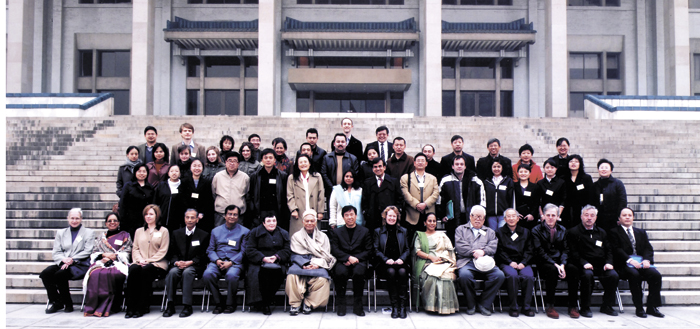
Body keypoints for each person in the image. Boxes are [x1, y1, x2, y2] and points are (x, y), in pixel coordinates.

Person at [608, 208, 664, 318]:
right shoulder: (614, 232)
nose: (627, 217)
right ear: (619, 218)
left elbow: (648, 248)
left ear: (633, 218)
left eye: (630, 215)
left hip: (641, 263)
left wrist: (647, 260)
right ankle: (639, 307)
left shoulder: (641, 232)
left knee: (656, 275)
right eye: (624, 215)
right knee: (634, 274)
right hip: (624, 265)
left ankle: (652, 307)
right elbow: (616, 249)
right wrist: (630, 260)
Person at [567, 205, 620, 317]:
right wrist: (584, 263)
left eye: (592, 215)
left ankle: (607, 306)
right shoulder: (573, 232)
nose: (589, 218)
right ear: (581, 216)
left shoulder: (601, 232)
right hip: (583, 265)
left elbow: (609, 250)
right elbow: (573, 253)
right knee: (587, 275)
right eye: (586, 215)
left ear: (596, 217)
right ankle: (585, 308)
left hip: (601, 265)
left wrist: (609, 262)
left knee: (613, 275)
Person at [454, 205, 505, 316]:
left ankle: (484, 303)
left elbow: (493, 246)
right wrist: (474, 252)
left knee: (499, 275)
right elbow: (460, 246)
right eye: (475, 216)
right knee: (464, 276)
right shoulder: (461, 230)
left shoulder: (490, 232)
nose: (478, 219)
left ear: (484, 218)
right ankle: (471, 304)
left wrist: (483, 252)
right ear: (470, 216)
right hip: (467, 262)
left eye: (480, 217)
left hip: (486, 262)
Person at [531, 203, 580, 319]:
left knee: (573, 270)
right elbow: (539, 251)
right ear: (543, 216)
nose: (550, 217)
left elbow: (565, 249)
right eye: (548, 215)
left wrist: (562, 264)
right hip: (544, 262)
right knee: (552, 271)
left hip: (559, 261)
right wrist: (555, 264)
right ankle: (550, 306)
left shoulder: (563, 230)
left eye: (553, 215)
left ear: (558, 217)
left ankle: (573, 306)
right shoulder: (536, 230)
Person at [41, 208, 95, 314]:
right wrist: (63, 259)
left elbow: (88, 251)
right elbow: (56, 251)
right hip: (63, 261)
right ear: (68, 219)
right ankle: (57, 301)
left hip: (80, 264)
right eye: (72, 218)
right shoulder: (61, 233)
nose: (74, 221)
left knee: (60, 274)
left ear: (81, 219)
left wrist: (72, 259)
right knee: (46, 273)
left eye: (77, 218)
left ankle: (68, 303)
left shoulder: (88, 233)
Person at [286, 210, 336, 315]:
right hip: (301, 264)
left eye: (312, 221)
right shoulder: (296, 236)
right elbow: (295, 254)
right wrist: (305, 264)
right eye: (307, 221)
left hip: (318, 264)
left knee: (323, 279)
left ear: (316, 222)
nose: (309, 223)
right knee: (292, 276)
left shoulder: (323, 236)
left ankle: (309, 303)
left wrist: (316, 264)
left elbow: (326, 255)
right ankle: (295, 304)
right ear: (303, 222)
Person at [82, 213, 131, 317]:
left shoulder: (125, 235)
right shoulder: (101, 237)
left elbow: (127, 251)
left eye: (115, 220)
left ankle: (114, 305)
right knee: (95, 274)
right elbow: (95, 251)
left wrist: (115, 256)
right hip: (102, 262)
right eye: (110, 221)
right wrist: (103, 255)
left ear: (118, 222)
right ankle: (95, 306)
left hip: (118, 262)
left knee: (115, 274)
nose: (112, 223)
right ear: (106, 223)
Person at [163, 209, 210, 318]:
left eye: (192, 217)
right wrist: (176, 262)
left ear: (197, 219)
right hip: (179, 264)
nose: (190, 220)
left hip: (195, 265)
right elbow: (172, 252)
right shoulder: (176, 233)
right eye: (187, 217)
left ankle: (187, 306)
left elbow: (203, 255)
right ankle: (170, 304)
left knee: (187, 273)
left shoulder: (203, 235)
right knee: (172, 273)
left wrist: (191, 262)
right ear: (184, 219)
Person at [125, 204, 169, 318]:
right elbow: (135, 248)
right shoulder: (139, 231)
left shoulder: (164, 231)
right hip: (140, 262)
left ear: (157, 216)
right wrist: (140, 260)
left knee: (146, 271)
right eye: (146, 214)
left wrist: (148, 260)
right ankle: (130, 307)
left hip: (157, 263)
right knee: (133, 269)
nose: (148, 216)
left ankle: (142, 306)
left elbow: (163, 250)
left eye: (151, 214)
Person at [203, 205, 250, 314]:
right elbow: (210, 250)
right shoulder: (215, 231)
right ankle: (219, 302)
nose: (232, 217)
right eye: (229, 214)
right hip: (218, 261)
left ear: (238, 217)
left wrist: (231, 262)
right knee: (207, 274)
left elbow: (244, 252)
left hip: (235, 262)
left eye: (235, 215)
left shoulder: (245, 232)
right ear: (225, 216)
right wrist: (216, 260)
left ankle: (230, 303)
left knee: (231, 276)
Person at [412, 213, 459, 314]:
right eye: (429, 221)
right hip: (426, 263)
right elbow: (418, 251)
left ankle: (446, 308)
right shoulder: (420, 235)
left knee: (447, 276)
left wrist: (442, 258)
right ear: (425, 223)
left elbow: (450, 251)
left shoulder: (442, 236)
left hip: (442, 263)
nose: (432, 223)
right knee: (433, 277)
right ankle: (431, 307)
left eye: (434, 221)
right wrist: (431, 257)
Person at [330, 205, 372, 316]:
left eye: (351, 214)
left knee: (359, 273)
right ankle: (341, 305)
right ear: (343, 217)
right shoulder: (337, 232)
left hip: (359, 261)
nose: (349, 217)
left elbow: (368, 250)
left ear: (356, 216)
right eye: (346, 215)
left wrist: (356, 259)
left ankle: (358, 307)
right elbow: (334, 249)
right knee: (340, 272)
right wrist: (347, 258)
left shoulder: (364, 231)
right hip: (342, 261)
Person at [244, 215, 291, 315]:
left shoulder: (283, 233)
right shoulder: (254, 232)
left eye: (274, 220)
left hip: (277, 261)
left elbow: (287, 250)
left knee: (278, 273)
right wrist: (263, 258)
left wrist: (277, 257)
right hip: (258, 261)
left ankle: (267, 301)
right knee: (255, 275)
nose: (272, 223)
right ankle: (260, 303)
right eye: (268, 221)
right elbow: (250, 249)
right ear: (263, 223)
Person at [495, 209, 535, 317]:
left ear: (518, 218)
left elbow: (530, 250)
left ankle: (526, 307)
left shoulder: (526, 232)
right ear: (504, 219)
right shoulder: (499, 232)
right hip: (507, 262)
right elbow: (499, 250)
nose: (511, 218)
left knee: (529, 276)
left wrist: (524, 262)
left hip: (523, 262)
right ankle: (513, 307)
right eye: (509, 216)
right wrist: (509, 262)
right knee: (512, 276)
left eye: (514, 216)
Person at [437, 155, 485, 245]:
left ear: (465, 166)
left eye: (461, 164)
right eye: (457, 164)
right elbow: (440, 199)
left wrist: (480, 214)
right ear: (453, 166)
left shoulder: (475, 180)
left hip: (471, 217)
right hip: (452, 217)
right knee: (453, 240)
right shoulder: (445, 180)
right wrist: (442, 214)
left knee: (470, 240)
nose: (459, 166)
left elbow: (482, 199)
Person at [373, 206, 410, 319]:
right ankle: (395, 306)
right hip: (385, 263)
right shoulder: (378, 231)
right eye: (390, 216)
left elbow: (408, 249)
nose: (392, 218)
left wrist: (402, 259)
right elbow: (376, 249)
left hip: (400, 262)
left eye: (394, 216)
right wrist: (386, 259)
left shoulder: (403, 231)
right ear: (385, 216)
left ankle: (403, 306)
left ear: (397, 217)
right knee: (391, 272)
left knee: (403, 272)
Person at [247, 148, 289, 229]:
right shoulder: (255, 176)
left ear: (275, 160)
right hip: (260, 211)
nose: (268, 160)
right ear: (262, 160)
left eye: (271, 157)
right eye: (265, 158)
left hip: (277, 211)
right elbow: (251, 194)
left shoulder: (282, 176)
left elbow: (284, 195)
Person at [400, 152, 439, 238]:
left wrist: (425, 204)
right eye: (418, 161)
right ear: (414, 163)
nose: (420, 162)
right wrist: (416, 204)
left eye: (422, 161)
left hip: (428, 213)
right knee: (412, 239)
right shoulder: (406, 178)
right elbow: (405, 193)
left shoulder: (432, 178)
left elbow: (435, 193)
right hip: (412, 214)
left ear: (426, 163)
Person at [286, 154, 325, 234]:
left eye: (305, 162)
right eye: (300, 162)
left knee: (314, 236)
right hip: (299, 212)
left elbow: (321, 194)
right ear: (297, 164)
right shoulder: (292, 178)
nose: (303, 164)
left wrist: (320, 211)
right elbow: (290, 195)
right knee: (298, 237)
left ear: (309, 163)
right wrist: (293, 209)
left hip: (313, 210)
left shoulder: (317, 176)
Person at [362, 158, 402, 232]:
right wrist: (367, 213)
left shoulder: (393, 181)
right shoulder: (367, 183)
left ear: (384, 167)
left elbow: (399, 199)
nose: (378, 169)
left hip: (389, 219)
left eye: (380, 166)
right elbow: (364, 201)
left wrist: (394, 212)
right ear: (372, 169)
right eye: (375, 167)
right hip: (373, 219)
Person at [212, 151, 250, 227]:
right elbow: (213, 193)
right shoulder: (218, 176)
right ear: (225, 162)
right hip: (221, 214)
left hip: (238, 214)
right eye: (229, 161)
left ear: (238, 163)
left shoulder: (245, 177)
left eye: (235, 161)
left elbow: (247, 194)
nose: (232, 163)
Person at [119, 163, 155, 237]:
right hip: (130, 221)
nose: (142, 173)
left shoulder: (150, 187)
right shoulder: (128, 186)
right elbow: (123, 204)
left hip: (145, 221)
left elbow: (152, 205)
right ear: (135, 172)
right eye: (139, 171)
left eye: (144, 171)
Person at [321, 133, 360, 200]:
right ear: (334, 143)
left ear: (346, 143)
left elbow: (355, 174)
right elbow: (324, 174)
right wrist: (333, 188)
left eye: (342, 142)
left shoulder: (353, 159)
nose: (340, 144)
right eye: (338, 141)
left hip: (348, 192)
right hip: (331, 192)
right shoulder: (327, 158)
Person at [153, 165, 190, 232]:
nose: (174, 173)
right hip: (162, 220)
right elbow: (155, 202)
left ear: (180, 173)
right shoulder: (162, 185)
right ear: (168, 173)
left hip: (179, 222)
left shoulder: (184, 186)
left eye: (176, 171)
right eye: (172, 171)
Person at [562, 155, 596, 229]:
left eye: (576, 161)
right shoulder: (563, 178)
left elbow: (590, 195)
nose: (573, 163)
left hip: (581, 209)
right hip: (567, 210)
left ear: (580, 164)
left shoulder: (586, 178)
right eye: (571, 161)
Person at [182, 159, 215, 232]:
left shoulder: (207, 182)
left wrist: (201, 213)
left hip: (201, 216)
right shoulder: (184, 181)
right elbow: (182, 199)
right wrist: (189, 212)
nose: (197, 168)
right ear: (190, 168)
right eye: (194, 166)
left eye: (199, 166)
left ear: (203, 168)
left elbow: (208, 200)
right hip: (187, 215)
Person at [594, 158, 627, 232]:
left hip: (614, 218)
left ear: (611, 170)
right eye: (601, 167)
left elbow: (622, 201)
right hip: (599, 219)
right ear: (598, 170)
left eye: (606, 168)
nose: (604, 169)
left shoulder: (618, 183)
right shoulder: (595, 185)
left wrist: (620, 217)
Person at [483, 159, 515, 229]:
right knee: (493, 234)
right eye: (494, 167)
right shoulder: (487, 182)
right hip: (491, 215)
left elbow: (511, 198)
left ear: (502, 168)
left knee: (502, 234)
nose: (496, 169)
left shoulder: (508, 181)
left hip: (503, 215)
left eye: (498, 166)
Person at [513, 164, 538, 230]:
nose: (523, 174)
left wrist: (532, 214)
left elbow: (536, 202)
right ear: (517, 173)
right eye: (521, 172)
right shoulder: (513, 186)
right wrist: (515, 213)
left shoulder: (535, 186)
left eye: (526, 171)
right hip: (517, 217)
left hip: (530, 217)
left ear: (529, 173)